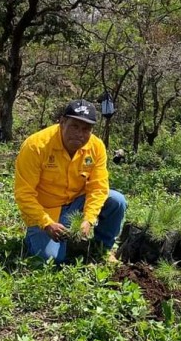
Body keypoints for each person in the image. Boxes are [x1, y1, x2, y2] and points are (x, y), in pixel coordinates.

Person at [14, 99, 127, 263]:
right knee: (49, 260)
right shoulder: (36, 146)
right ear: (62, 122)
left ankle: (102, 248)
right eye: (74, 126)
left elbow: (98, 188)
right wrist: (46, 223)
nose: (79, 134)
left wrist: (88, 219)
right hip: (47, 210)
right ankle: (38, 238)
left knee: (117, 201)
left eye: (86, 129)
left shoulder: (96, 147)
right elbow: (24, 194)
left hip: (76, 203)